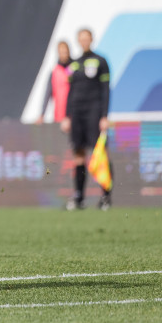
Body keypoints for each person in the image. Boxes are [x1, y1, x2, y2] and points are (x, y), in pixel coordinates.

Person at [60, 28, 111, 211]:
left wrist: (104, 115)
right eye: (81, 39)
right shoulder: (74, 64)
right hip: (77, 113)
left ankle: (106, 196)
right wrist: (67, 116)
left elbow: (105, 90)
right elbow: (70, 92)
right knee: (78, 154)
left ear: (91, 39)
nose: (84, 41)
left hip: (94, 112)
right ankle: (79, 197)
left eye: (87, 38)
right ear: (78, 41)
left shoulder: (100, 61)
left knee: (100, 154)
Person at [36, 40, 71, 125]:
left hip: (73, 116)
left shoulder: (73, 70)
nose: (63, 55)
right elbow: (47, 94)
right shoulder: (54, 72)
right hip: (59, 116)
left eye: (65, 52)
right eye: (61, 52)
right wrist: (42, 114)